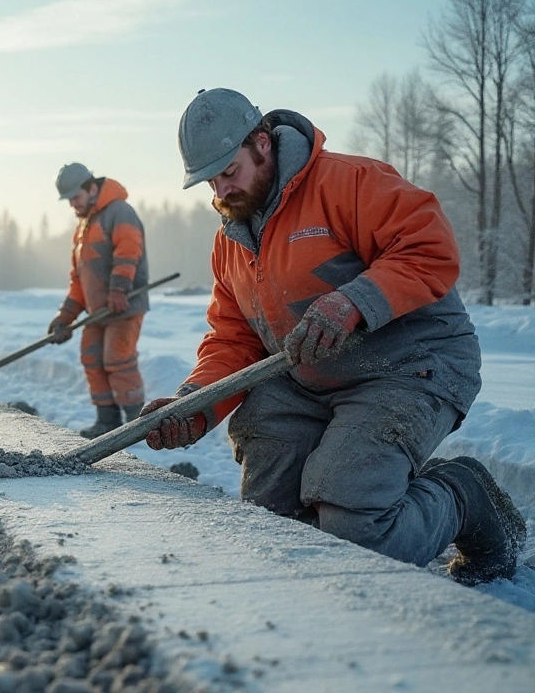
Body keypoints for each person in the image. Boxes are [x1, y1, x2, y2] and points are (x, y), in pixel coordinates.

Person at [142, 87, 525, 585]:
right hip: (309, 380)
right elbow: (233, 339)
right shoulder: (230, 242)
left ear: (262, 143)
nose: (222, 190)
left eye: (229, 172)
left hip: (409, 366)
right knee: (273, 529)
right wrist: (194, 403)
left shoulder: (349, 183)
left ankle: (462, 494)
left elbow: (431, 248)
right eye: (211, 180)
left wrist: (353, 302)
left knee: (354, 532)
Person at [47, 163, 150, 439]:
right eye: (68, 200)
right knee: (91, 357)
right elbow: (79, 279)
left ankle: (138, 422)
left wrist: (119, 289)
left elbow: (129, 251)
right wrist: (64, 318)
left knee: (118, 360)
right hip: (98, 311)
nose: (72, 204)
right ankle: (108, 421)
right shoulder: (84, 226)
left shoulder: (119, 212)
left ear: (92, 188)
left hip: (124, 305)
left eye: (75, 197)